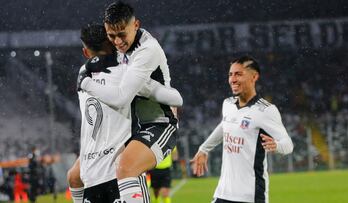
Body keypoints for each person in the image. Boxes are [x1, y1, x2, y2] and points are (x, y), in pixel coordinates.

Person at [77, 1, 180, 203]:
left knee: (126, 167)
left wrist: (86, 82)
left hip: (159, 124)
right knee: (78, 173)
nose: (117, 42)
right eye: (111, 36)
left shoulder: (146, 50)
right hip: (136, 127)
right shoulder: (120, 50)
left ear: (136, 25)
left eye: (121, 34)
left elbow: (121, 98)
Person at [191, 56, 293, 203]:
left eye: (238, 74)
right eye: (230, 74)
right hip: (223, 193)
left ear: (254, 77)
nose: (233, 79)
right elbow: (224, 126)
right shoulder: (228, 104)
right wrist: (204, 148)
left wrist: (277, 146)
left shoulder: (266, 110)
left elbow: (288, 144)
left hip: (250, 196)